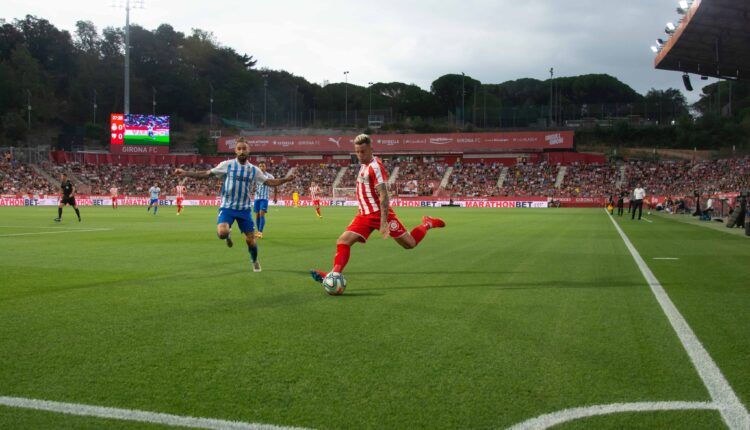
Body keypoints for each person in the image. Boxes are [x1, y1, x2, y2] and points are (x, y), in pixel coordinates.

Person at [310, 134, 446, 285]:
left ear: (371, 150)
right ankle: (333, 275)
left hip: (379, 214)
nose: (360, 155)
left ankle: (428, 223)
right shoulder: (363, 164)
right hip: (363, 215)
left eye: (363, 151)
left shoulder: (376, 168)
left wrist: (383, 222)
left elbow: (384, 195)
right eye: (357, 152)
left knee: (410, 244)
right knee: (343, 241)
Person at [174, 141, 294, 272]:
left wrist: (286, 179)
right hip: (228, 208)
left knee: (251, 242)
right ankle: (228, 234)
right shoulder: (227, 165)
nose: (242, 151)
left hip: (244, 210)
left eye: (244, 149)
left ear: (248, 151)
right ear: (235, 151)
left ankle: (254, 260)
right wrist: (185, 173)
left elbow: (269, 181)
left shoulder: (254, 170)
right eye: (239, 149)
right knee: (222, 233)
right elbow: (207, 174)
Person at [253, 161, 276, 238]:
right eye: (260, 166)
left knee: (261, 214)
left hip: (264, 198)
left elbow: (275, 185)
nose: (261, 167)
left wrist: (275, 197)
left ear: (265, 167)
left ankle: (260, 232)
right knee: (257, 216)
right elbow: (252, 184)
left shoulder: (270, 176)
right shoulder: (256, 176)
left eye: (263, 166)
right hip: (256, 198)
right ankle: (258, 231)